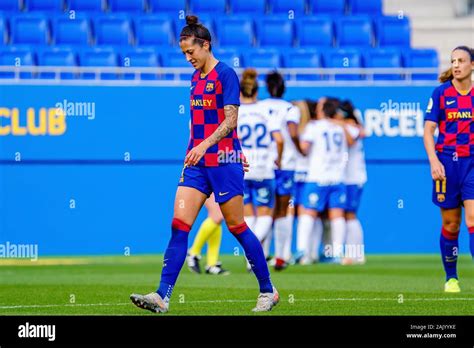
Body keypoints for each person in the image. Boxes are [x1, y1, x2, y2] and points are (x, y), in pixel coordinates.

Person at [130, 15, 279, 313]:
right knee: (178, 226)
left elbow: (230, 120)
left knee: (237, 227)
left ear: (205, 45)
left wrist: (224, 149)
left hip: (223, 161)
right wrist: (193, 149)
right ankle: (162, 296)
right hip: (197, 163)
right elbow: (196, 123)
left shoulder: (226, 74)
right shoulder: (195, 78)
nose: (188, 58)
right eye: (184, 53)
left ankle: (268, 290)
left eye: (191, 52)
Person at [423, 45, 474, 293]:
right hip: (446, 164)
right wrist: (434, 161)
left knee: (473, 218)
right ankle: (451, 277)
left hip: (472, 163)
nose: (456, 64)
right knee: (452, 224)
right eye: (453, 60)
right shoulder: (441, 93)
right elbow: (428, 130)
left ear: (472, 65)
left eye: (461, 60)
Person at [297, 98, 356, 263]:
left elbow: (304, 148)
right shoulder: (340, 127)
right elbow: (352, 142)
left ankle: (303, 252)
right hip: (338, 178)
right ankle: (337, 253)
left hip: (317, 176)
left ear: (322, 111)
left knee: (309, 212)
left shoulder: (314, 127)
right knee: (337, 215)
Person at [238, 68, 284, 270]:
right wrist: (278, 159)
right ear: (257, 91)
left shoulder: (235, 111)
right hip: (264, 167)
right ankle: (254, 256)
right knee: (265, 214)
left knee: (248, 215)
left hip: (242, 167)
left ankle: (251, 255)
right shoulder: (266, 111)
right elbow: (279, 139)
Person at [259, 72, 302, 270]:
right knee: (283, 211)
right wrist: (300, 148)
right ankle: (281, 257)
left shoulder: (259, 106)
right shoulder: (290, 108)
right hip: (285, 164)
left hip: (264, 165)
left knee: (265, 211)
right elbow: (292, 131)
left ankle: (261, 256)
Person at [339, 100, 367, 265]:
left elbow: (356, 137)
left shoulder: (352, 127)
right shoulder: (351, 125)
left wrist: (341, 124)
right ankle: (354, 253)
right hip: (349, 177)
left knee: (350, 216)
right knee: (346, 216)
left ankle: (356, 253)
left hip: (353, 177)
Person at [186, 193, 230, 275]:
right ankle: (193, 253)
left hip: (219, 182)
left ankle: (211, 264)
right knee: (218, 215)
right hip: (207, 181)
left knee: (215, 216)